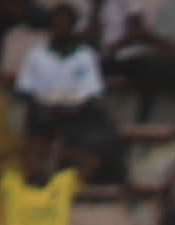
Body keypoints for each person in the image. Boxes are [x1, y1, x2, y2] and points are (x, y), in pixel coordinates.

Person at [16, 4, 124, 183]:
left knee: (102, 130)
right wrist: (44, 107)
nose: (61, 28)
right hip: (44, 113)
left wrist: (71, 109)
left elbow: (92, 93)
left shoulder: (86, 56)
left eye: (66, 23)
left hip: (77, 114)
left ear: (73, 26)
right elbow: (26, 91)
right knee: (34, 124)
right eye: (57, 23)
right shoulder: (35, 55)